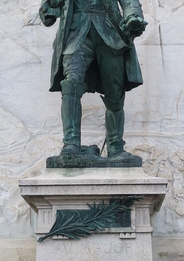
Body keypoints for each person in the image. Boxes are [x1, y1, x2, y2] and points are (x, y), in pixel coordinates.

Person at [39, 0, 146, 160]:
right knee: (71, 83)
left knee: (115, 91)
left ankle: (116, 147)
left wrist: (133, 16)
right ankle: (71, 144)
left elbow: (129, 1)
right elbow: (50, 9)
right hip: (76, 32)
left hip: (109, 32)